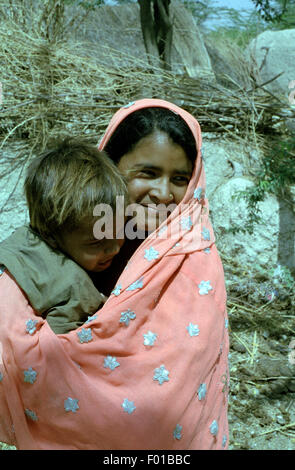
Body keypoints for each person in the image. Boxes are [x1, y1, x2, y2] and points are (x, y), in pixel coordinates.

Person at [0, 99, 229, 450]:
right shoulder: (70, 231)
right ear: (111, 166)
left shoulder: (194, 262)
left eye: (180, 178)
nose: (164, 193)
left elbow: (169, 398)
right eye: (148, 173)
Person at [0, 137, 126, 334]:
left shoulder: (21, 238)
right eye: (97, 242)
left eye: (119, 231)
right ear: (50, 235)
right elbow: (60, 352)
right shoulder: (75, 290)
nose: (114, 248)